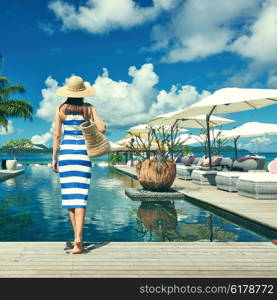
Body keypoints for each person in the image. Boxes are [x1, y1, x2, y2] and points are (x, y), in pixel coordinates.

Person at [52, 75, 106, 254]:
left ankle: (77, 240)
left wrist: (54, 158)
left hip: (66, 155)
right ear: (83, 92)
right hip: (83, 155)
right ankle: (78, 240)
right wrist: (89, 121)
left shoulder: (61, 108)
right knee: (81, 197)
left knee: (69, 198)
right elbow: (102, 128)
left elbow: (57, 137)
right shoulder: (89, 108)